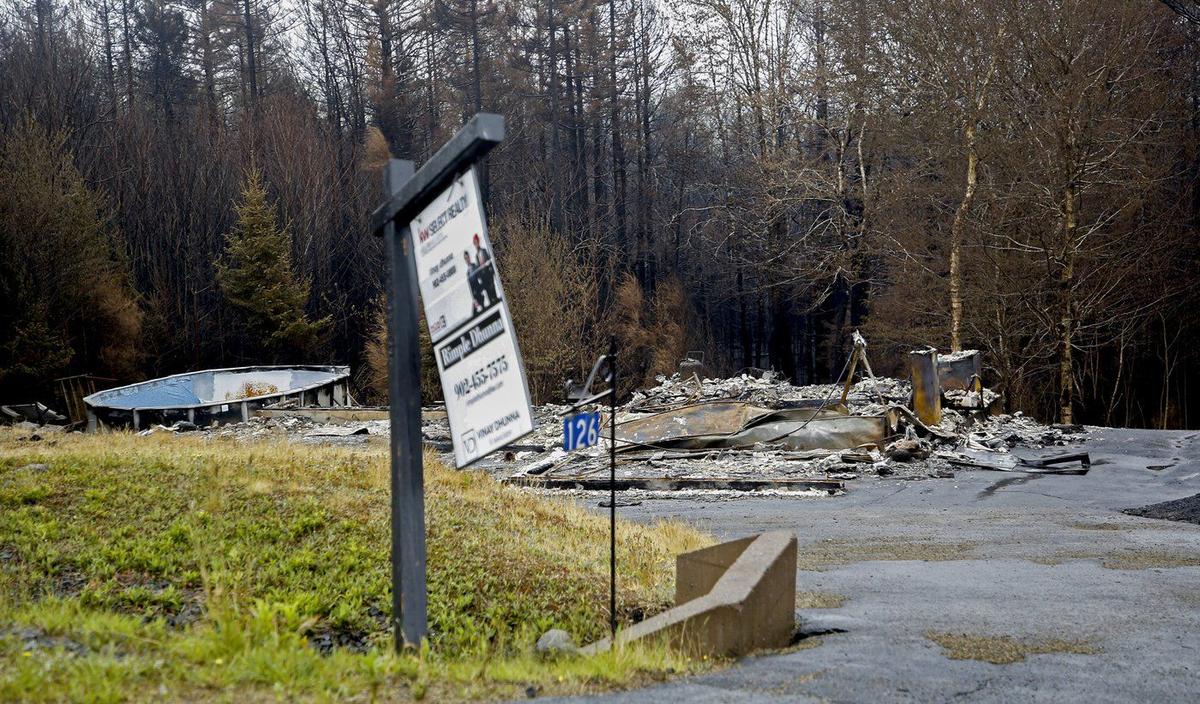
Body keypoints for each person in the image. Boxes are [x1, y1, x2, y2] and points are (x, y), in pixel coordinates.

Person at [473, 233, 499, 306]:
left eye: (476, 242)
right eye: (474, 243)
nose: (476, 244)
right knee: (489, 294)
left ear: (478, 242)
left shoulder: (483, 251)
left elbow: (489, 262)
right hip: (483, 278)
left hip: (489, 276)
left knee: (493, 291)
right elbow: (478, 268)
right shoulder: (476, 256)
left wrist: (491, 273)